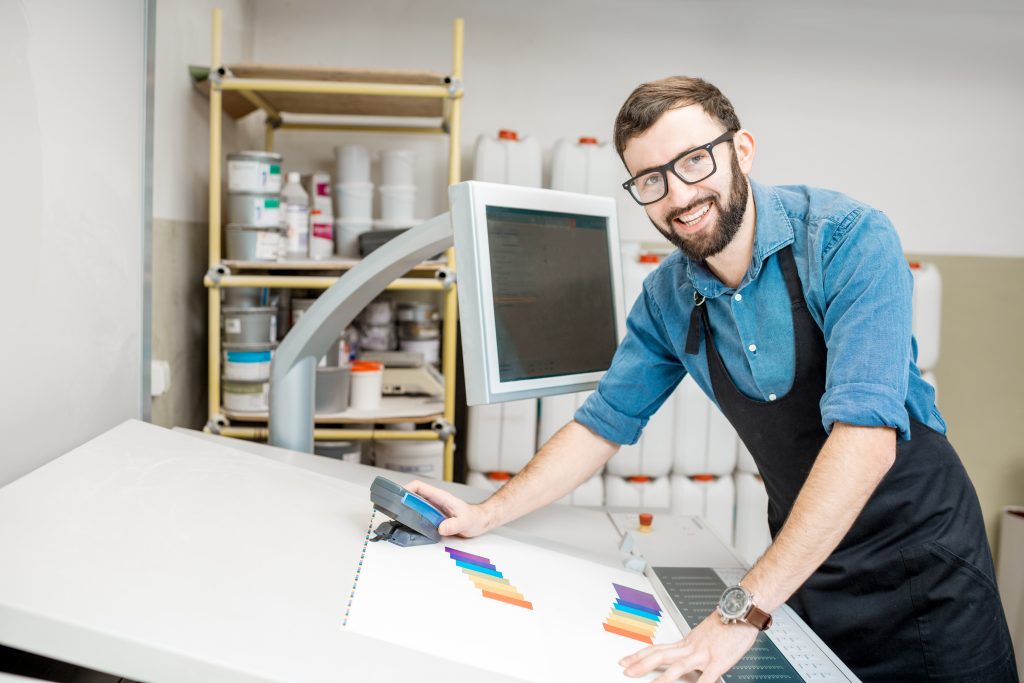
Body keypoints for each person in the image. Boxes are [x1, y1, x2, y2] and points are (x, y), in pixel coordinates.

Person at [407, 76, 1018, 682]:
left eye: (694, 161)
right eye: (651, 180)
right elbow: (603, 425)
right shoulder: (667, 296)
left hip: (924, 566)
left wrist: (740, 614)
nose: (678, 194)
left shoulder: (847, 240)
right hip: (806, 568)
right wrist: (488, 513)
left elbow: (866, 439)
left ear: (741, 151)